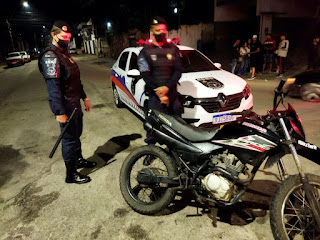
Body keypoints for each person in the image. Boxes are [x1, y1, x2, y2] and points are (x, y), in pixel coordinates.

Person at [38, 21, 97, 184]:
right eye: (64, 36)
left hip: (75, 103)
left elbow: (75, 80)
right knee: (69, 140)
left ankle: (78, 160)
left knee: (76, 135)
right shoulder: (51, 56)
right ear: (54, 35)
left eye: (69, 37)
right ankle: (70, 174)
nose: (67, 39)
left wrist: (84, 97)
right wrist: (59, 111)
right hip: (66, 105)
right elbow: (54, 87)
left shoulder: (64, 54)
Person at [137, 16, 183, 144]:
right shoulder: (145, 52)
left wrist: (167, 88)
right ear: (151, 31)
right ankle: (151, 151)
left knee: (178, 125)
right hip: (155, 95)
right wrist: (159, 92)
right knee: (152, 124)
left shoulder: (174, 49)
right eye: (157, 30)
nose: (161, 32)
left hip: (172, 94)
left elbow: (178, 70)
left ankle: (175, 151)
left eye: (163, 30)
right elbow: (145, 74)